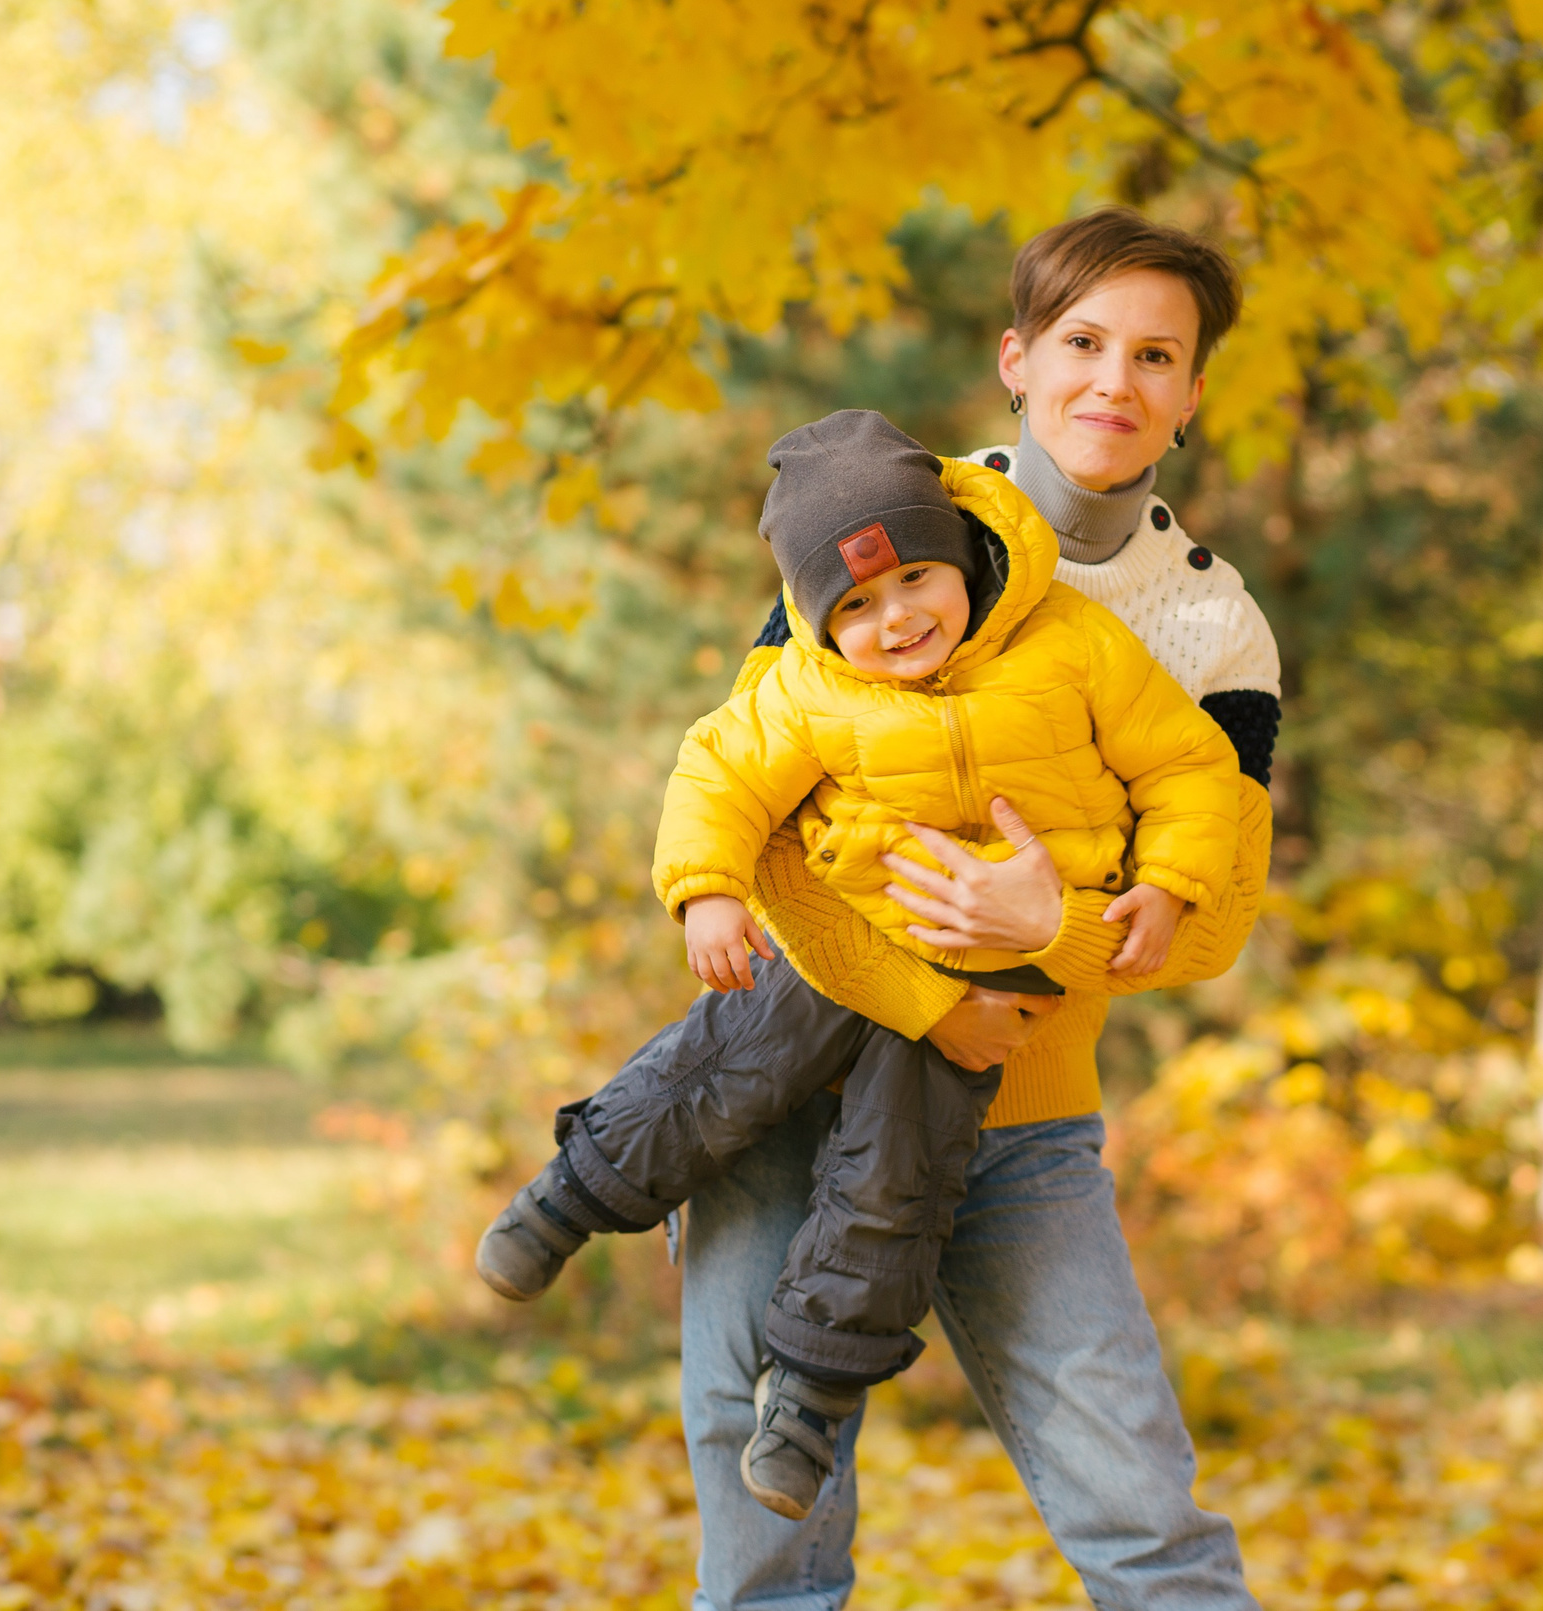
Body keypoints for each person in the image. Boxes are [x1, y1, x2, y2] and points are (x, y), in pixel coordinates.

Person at [478, 405, 1243, 1524]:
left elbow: (1189, 765)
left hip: (993, 981)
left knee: (900, 1173)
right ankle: (573, 1194)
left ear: (964, 560)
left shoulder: (1070, 646)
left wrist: (1167, 885)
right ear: (814, 622)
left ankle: (811, 1401)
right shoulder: (806, 689)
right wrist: (706, 891)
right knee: (738, 1045)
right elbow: (717, 773)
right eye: (854, 607)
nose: (894, 622)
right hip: (844, 946)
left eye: (913, 582)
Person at [679, 207, 1281, 1609]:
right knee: (767, 1524)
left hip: (1021, 1111)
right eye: (1082, 342)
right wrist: (917, 973)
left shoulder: (1212, 629)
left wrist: (1048, 924)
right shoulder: (870, 519)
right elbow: (748, 801)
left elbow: (1216, 918)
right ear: (1019, 356)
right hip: (787, 1079)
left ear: (1192, 394)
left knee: (1144, 1514)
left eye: (1156, 355)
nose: (1112, 382)